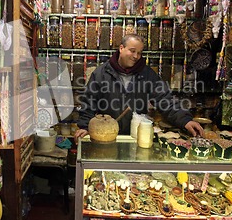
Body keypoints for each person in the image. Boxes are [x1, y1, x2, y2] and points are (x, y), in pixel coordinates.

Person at [74, 34, 203, 143]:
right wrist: (85, 126)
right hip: (104, 136)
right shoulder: (101, 73)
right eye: (132, 50)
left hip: (135, 138)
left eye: (139, 53)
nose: (136, 56)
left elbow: (164, 99)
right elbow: (89, 102)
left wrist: (185, 120)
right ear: (121, 48)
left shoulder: (146, 74)